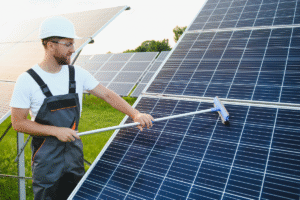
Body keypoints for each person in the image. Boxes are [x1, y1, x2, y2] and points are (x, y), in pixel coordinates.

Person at [10, 16, 154, 200]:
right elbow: (18, 123)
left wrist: (135, 113)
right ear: (50, 45)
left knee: (77, 194)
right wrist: (55, 131)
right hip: (46, 156)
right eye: (68, 44)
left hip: (74, 152)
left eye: (73, 43)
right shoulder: (27, 80)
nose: (73, 49)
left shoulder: (77, 74)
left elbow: (107, 94)